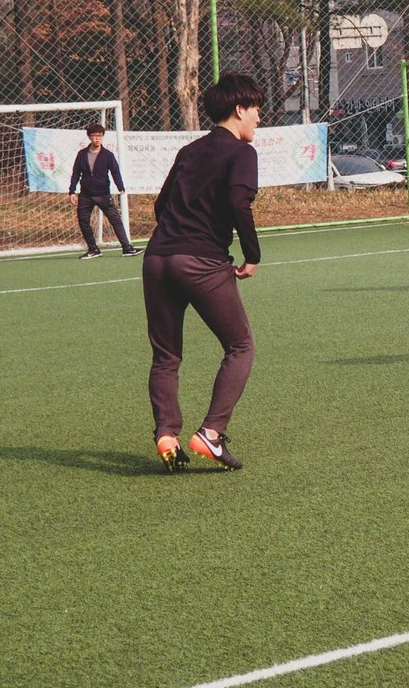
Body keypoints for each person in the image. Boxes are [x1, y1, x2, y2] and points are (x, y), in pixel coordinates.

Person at [143, 72, 265, 472]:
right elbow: (238, 202)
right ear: (239, 110)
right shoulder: (241, 153)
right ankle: (211, 434)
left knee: (166, 355)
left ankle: (166, 435)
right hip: (200, 262)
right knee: (241, 346)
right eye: (256, 110)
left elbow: (162, 207)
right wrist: (251, 254)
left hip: (157, 258)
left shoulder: (189, 150)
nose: (259, 119)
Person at [68, 123, 139, 258]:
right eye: (94, 136)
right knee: (83, 221)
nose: (97, 139)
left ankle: (127, 248)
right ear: (89, 137)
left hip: (103, 195)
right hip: (85, 195)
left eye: (99, 136)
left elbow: (115, 171)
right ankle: (93, 249)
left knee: (115, 220)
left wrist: (120, 187)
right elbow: (76, 173)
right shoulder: (81, 154)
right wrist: (72, 191)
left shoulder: (108, 155)